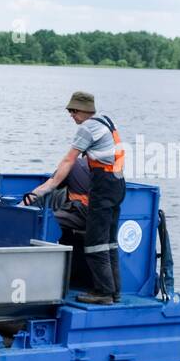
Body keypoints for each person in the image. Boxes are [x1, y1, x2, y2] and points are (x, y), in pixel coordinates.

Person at [22, 90, 126, 304]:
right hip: (117, 184)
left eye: (73, 111)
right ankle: (115, 291)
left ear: (83, 111)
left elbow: (69, 161)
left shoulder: (87, 128)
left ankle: (103, 292)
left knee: (95, 242)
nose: (71, 115)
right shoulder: (105, 120)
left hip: (104, 186)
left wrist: (43, 189)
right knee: (110, 242)